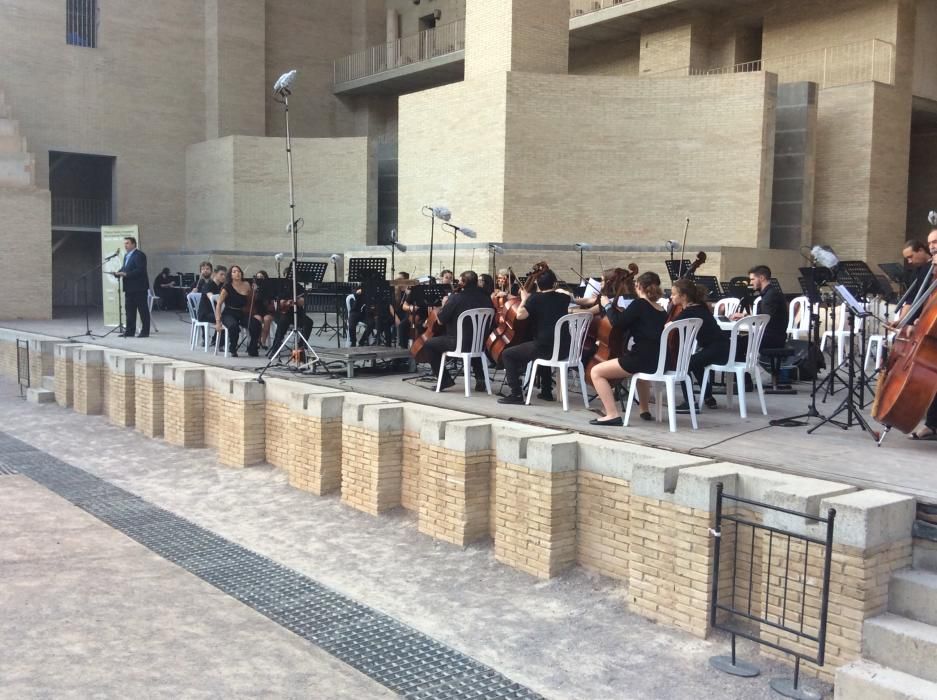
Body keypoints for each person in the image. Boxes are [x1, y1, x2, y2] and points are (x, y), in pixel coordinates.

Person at [588, 272, 667, 426]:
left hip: (642, 359)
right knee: (640, 374)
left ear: (638, 286)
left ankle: (612, 414)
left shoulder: (639, 304)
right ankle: (644, 410)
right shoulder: (661, 310)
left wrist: (607, 305)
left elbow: (618, 323)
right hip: (658, 360)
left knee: (596, 372)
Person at [498, 269, 577, 405]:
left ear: (538, 284)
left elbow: (520, 316)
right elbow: (567, 296)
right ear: (554, 283)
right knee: (540, 348)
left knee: (507, 354)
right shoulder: (564, 298)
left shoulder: (535, 299)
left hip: (545, 349)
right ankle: (546, 391)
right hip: (564, 349)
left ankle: (516, 394)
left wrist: (524, 300)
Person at [422, 270, 494, 391]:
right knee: (471, 336)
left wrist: (445, 304)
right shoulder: (486, 298)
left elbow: (440, 321)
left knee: (429, 344)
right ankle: (480, 379)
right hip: (480, 344)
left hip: (458, 343)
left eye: (460, 280)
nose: (458, 282)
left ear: (464, 282)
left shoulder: (456, 298)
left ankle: (444, 381)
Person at [669, 278, 731, 413]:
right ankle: (708, 397)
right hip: (723, 347)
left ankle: (689, 402)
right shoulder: (700, 305)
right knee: (695, 363)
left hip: (717, 349)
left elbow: (669, 326)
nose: (671, 297)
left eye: (674, 294)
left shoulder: (689, 311)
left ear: (684, 296)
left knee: (684, 365)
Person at [732, 265, 788, 350]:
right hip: (769, 336)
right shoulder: (769, 293)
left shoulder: (770, 296)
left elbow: (764, 321)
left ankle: (746, 363)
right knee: (736, 341)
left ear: (761, 278)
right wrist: (744, 315)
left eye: (752, 279)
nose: (750, 283)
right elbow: (763, 317)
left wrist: (744, 317)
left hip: (771, 339)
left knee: (734, 343)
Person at [214, 265, 261, 357]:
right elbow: (219, 304)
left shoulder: (247, 284)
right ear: (230, 275)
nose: (237, 273)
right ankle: (233, 347)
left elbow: (252, 300)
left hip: (242, 312)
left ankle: (252, 347)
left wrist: (254, 291)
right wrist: (218, 322)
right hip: (229, 313)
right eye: (234, 272)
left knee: (256, 324)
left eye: (239, 271)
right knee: (233, 326)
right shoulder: (227, 287)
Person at [114, 236, 150, 338]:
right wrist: (118, 272)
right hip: (129, 288)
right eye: (125, 243)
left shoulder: (140, 255)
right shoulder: (126, 256)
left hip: (139, 288)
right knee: (129, 311)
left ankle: (145, 331)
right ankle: (130, 331)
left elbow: (140, 270)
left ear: (134, 244)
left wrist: (126, 274)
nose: (125, 245)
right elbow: (125, 268)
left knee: (143, 311)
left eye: (127, 243)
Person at [251, 270, 276, 348]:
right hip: (257, 311)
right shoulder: (254, 288)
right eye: (257, 277)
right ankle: (257, 341)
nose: (259, 279)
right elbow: (251, 301)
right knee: (257, 319)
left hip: (268, 311)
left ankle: (263, 341)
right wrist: (254, 291)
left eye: (261, 277)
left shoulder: (269, 287)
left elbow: (272, 301)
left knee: (267, 319)